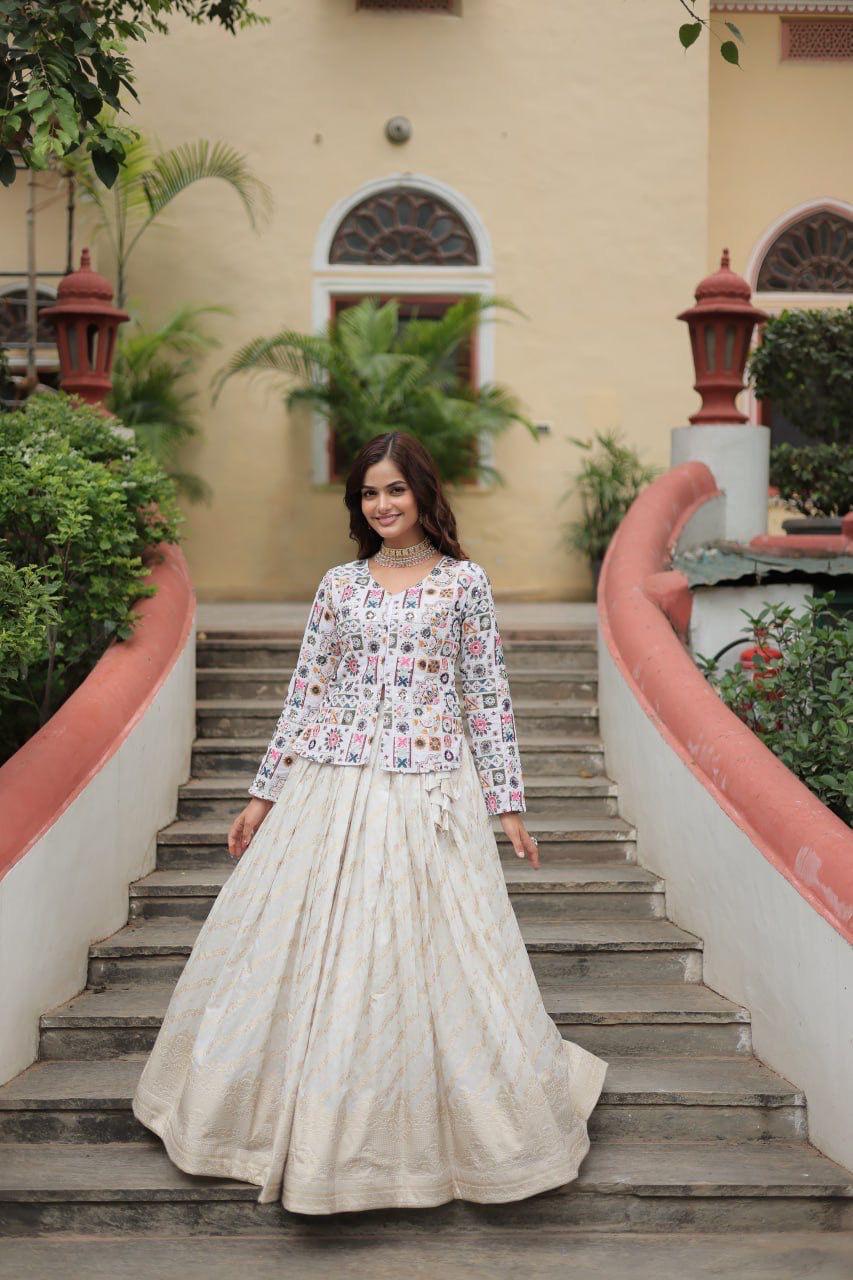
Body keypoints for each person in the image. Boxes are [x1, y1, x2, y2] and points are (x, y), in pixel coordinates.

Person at [132, 430, 608, 1215]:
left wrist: (507, 802)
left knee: (436, 953)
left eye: (394, 489)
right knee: (297, 949)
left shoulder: (464, 584)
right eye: (367, 493)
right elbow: (306, 690)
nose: (381, 505)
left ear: (423, 490)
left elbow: (485, 696)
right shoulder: (339, 586)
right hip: (331, 780)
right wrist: (263, 794)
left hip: (427, 785)